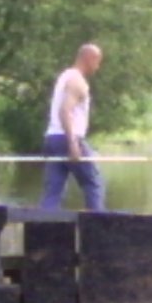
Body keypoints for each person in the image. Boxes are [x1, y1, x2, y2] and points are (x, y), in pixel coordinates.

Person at [40, 43, 105, 211]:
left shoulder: (64, 76)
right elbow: (65, 111)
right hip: (68, 138)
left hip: (52, 138)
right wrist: (73, 143)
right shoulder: (77, 81)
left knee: (53, 188)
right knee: (93, 182)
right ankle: (97, 222)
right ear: (90, 59)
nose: (98, 67)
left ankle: (44, 223)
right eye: (97, 62)